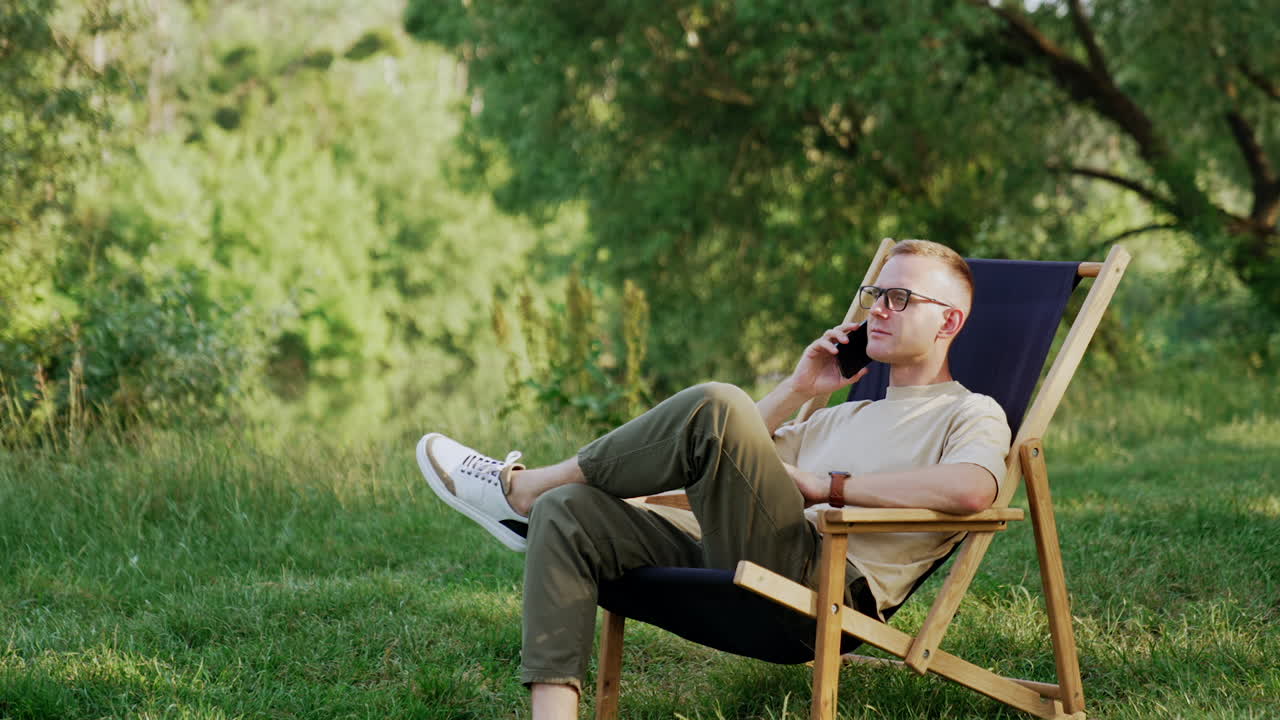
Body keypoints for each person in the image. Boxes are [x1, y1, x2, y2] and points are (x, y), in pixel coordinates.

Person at [417, 239, 1011, 719]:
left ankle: (522, 488)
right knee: (569, 511)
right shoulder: (838, 412)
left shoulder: (969, 411)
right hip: (741, 558)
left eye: (901, 297)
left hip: (819, 589)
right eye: (876, 292)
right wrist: (800, 389)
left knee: (718, 400)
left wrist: (825, 486)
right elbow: (722, 452)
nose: (878, 307)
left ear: (949, 321)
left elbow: (971, 490)